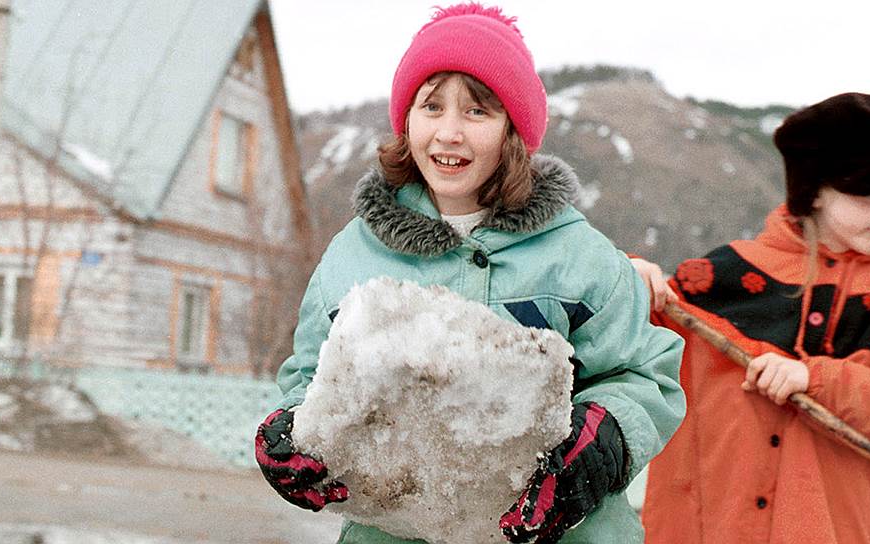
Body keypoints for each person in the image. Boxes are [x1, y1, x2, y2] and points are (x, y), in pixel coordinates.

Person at [253, 3, 685, 543]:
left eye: (477, 111)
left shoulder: (579, 255)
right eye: (431, 107)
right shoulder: (353, 257)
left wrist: (605, 439)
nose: (449, 133)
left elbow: (645, 375)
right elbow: (309, 378)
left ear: (511, 130)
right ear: (407, 120)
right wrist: (294, 431)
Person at [634, 92, 870, 543]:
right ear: (815, 192)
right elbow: (620, 343)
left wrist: (816, 379)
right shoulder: (720, 277)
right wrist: (629, 281)